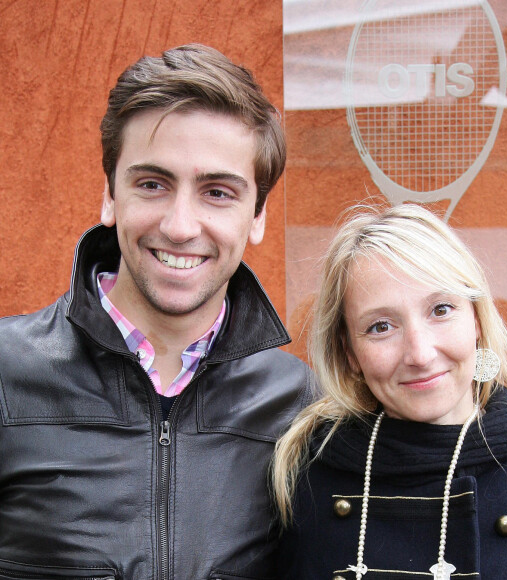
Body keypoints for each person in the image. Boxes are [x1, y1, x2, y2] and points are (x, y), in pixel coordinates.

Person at [0, 44, 312, 579]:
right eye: (152, 184)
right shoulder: (6, 374)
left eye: (217, 192)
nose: (180, 225)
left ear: (256, 216)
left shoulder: (301, 406)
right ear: (109, 196)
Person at [272, 204, 507, 579]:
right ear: (351, 353)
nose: (419, 354)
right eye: (381, 326)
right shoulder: (302, 484)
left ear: (477, 319)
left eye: (441, 309)